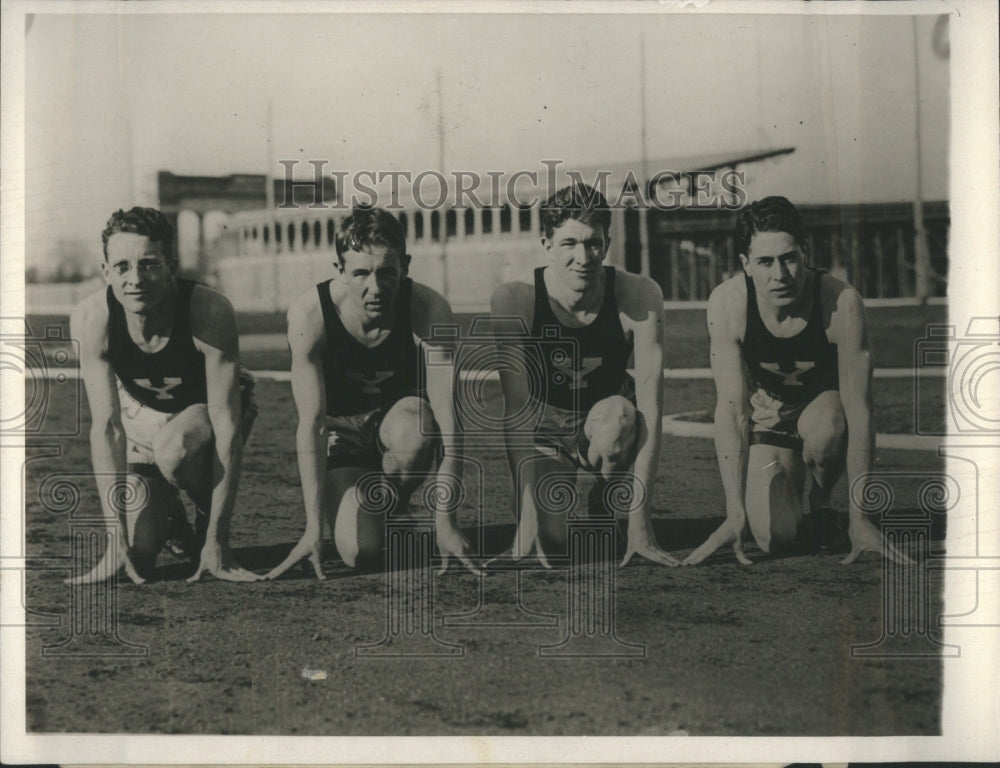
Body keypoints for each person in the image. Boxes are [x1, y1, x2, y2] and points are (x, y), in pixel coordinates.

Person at [684, 196, 908, 565]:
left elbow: (860, 411)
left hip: (821, 410)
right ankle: (786, 483)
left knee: (828, 428)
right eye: (765, 262)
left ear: (805, 252)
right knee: (776, 538)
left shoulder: (840, 302)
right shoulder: (727, 303)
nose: (780, 275)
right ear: (745, 264)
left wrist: (861, 516)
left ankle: (823, 503)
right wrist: (733, 510)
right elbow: (730, 409)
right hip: (768, 419)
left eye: (789, 258)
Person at [266, 205, 476, 579]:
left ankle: (393, 504)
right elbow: (311, 425)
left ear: (405, 266)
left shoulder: (430, 309)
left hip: (397, 423)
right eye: (361, 273)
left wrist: (446, 521)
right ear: (340, 269)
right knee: (361, 554)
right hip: (340, 433)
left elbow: (450, 421)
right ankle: (368, 511)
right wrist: (313, 529)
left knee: (418, 430)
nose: (375, 288)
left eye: (386, 273)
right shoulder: (309, 315)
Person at [68, 207, 258, 584]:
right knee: (137, 560)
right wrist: (114, 539)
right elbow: (107, 428)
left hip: (202, 425)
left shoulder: (208, 310)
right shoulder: (92, 318)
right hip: (141, 426)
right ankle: (172, 518)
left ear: (171, 265)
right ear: (106, 272)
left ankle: (207, 528)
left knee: (174, 449)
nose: (135, 279)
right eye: (121, 267)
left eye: (149, 265)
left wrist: (219, 537)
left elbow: (227, 424)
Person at [489, 182, 676, 566]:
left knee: (622, 418)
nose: (583, 256)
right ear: (546, 245)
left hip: (603, 420)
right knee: (550, 542)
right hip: (545, 428)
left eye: (593, 243)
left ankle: (607, 501)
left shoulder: (638, 296)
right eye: (569, 244)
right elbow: (516, 409)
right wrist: (525, 513)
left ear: (607, 245)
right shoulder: (516, 298)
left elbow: (651, 411)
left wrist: (641, 519)